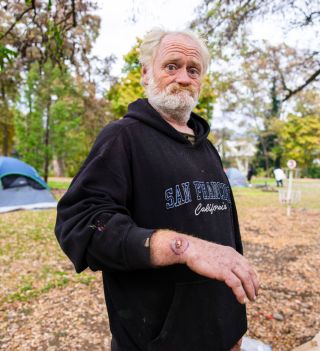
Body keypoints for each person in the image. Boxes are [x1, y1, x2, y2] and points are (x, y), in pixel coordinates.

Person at [55, 28, 260, 351]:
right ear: (146, 73)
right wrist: (184, 248)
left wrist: (234, 326)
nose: (183, 77)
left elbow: (224, 239)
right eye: (171, 66)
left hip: (222, 330)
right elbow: (81, 225)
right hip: (157, 339)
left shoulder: (207, 147)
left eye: (193, 70)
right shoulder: (122, 138)